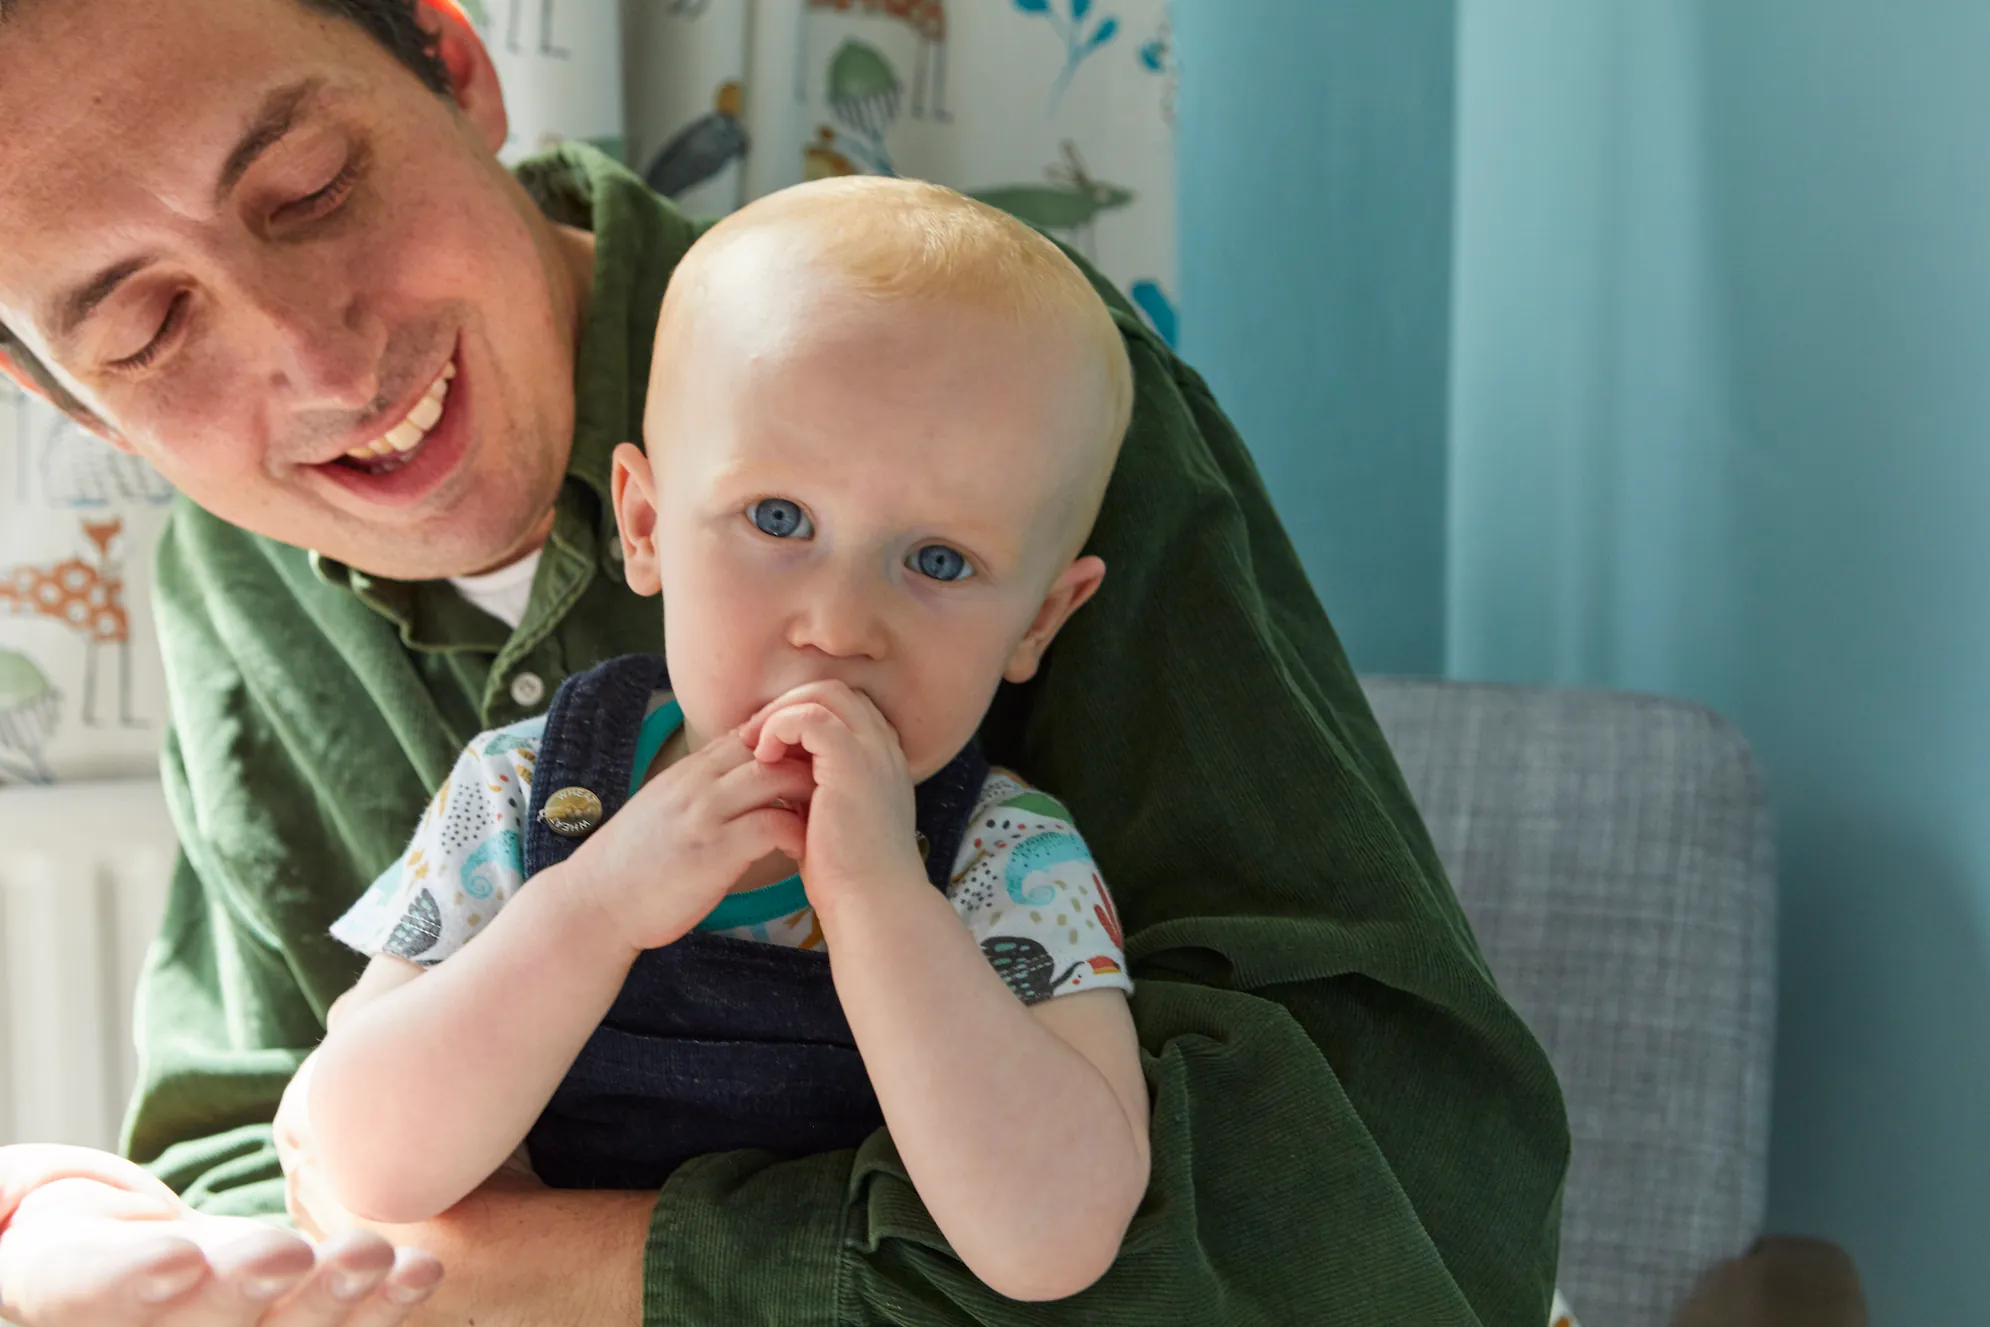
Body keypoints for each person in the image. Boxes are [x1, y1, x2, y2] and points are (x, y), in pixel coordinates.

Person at [0, 0, 1570, 1323]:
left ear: (454, 62)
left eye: (313, 185)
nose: (322, 360)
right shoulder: (235, 578)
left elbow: (1402, 1206)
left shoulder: (989, 389)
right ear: (74, 400)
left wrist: (602, 1264)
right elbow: (258, 1147)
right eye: (145, 328)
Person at [304, 176, 1151, 1302]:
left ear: (1038, 618)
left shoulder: (1008, 860)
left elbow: (1053, 1242)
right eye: (779, 520)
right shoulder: (518, 795)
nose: (841, 626)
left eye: (939, 561)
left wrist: (884, 906)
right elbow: (361, 1157)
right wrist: (594, 906)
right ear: (646, 527)